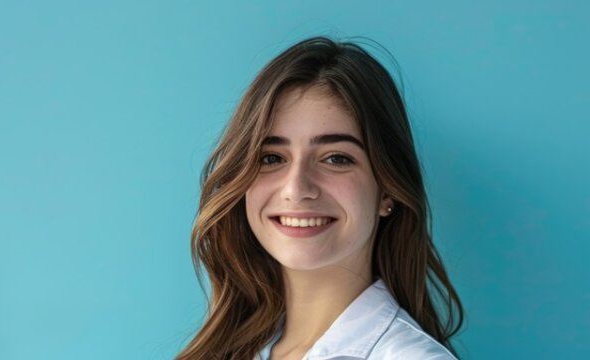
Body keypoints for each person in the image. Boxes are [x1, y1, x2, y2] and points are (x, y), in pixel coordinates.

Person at [177, 36, 464, 360]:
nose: (296, 189)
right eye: (271, 158)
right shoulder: (232, 350)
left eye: (336, 158)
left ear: (387, 190)